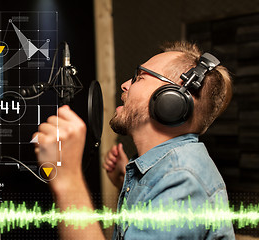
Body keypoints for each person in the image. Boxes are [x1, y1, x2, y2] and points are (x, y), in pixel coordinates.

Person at [33, 41, 235, 239]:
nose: (125, 85)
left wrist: (68, 180)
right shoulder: (170, 173)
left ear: (171, 100)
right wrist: (131, 183)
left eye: (139, 78)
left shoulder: (180, 180)